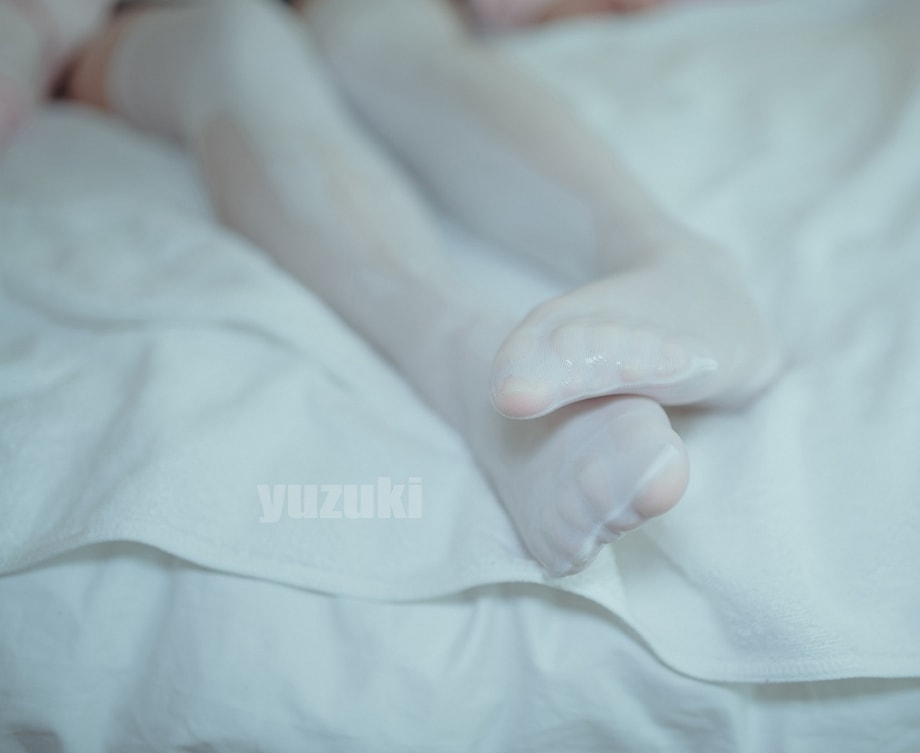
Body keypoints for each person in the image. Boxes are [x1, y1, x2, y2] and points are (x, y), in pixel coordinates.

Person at [0, 0, 780, 575]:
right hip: (140, 28)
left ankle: (674, 259)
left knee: (376, 27)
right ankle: (465, 360)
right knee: (232, 39)